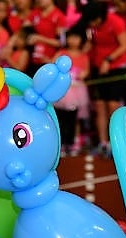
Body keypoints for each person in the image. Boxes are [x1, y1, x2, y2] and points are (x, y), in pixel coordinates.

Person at [80, 0, 126, 156]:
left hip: (116, 68)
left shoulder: (115, 21)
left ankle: (116, 143)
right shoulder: (92, 26)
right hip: (98, 67)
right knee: (99, 106)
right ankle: (103, 143)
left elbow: (125, 45)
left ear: (100, 17)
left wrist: (109, 60)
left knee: (113, 106)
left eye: (93, 20)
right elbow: (92, 42)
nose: (92, 23)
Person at [53, 28, 91, 156]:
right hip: (63, 91)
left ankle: (74, 142)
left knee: (75, 118)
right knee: (61, 117)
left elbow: (86, 71)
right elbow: (53, 65)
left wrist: (81, 74)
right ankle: (62, 143)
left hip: (77, 91)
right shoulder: (61, 53)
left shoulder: (83, 56)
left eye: (76, 37)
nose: (73, 40)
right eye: (71, 37)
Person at [25, 0, 68, 75]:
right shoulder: (35, 13)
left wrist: (40, 38)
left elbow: (61, 42)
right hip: (32, 58)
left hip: (48, 60)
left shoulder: (59, 16)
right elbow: (23, 30)